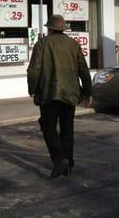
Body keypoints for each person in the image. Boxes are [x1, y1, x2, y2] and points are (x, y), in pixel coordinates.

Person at [27, 14, 92, 178]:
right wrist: (88, 92)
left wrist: (33, 89)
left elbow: (34, 70)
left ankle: (59, 158)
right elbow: (83, 70)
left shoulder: (42, 44)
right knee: (67, 129)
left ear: (49, 28)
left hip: (49, 93)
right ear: (63, 29)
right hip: (70, 93)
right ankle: (68, 164)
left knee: (47, 126)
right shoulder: (73, 44)